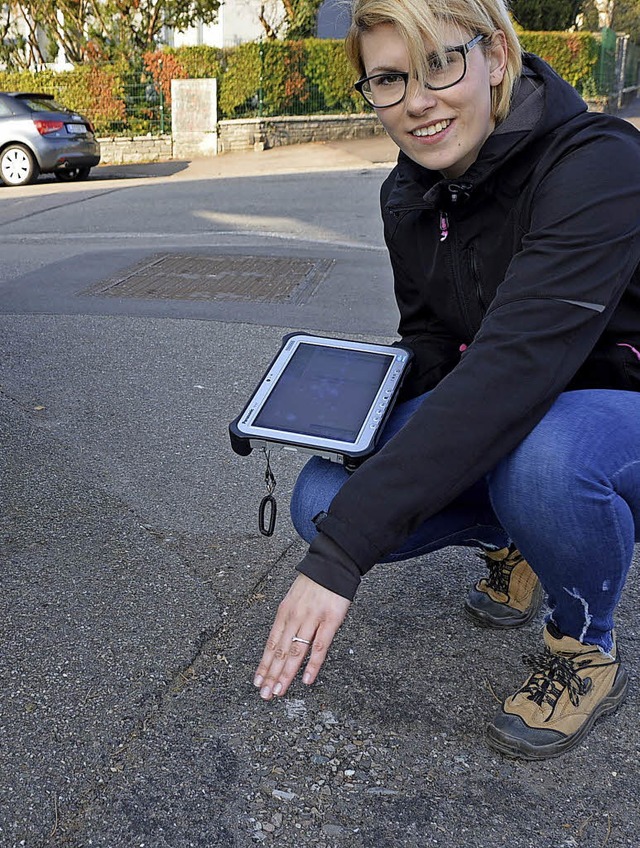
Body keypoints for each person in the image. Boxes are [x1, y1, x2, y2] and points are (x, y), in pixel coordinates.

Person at [253, 0, 640, 760]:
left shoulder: (599, 161)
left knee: (546, 464)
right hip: (517, 405)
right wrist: (349, 402)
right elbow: (434, 340)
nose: (417, 104)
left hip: (608, 416)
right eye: (388, 79)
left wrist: (340, 561)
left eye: (440, 64)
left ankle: (584, 643)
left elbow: (511, 366)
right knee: (321, 497)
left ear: (496, 56)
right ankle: (521, 542)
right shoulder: (409, 191)